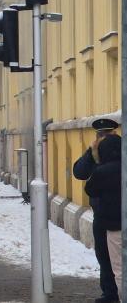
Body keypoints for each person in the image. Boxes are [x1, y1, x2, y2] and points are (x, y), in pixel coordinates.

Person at [74, 118, 122, 303]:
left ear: (114, 133)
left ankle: (118, 294)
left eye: (106, 134)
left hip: (116, 213)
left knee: (117, 258)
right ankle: (109, 293)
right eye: (100, 135)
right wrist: (90, 154)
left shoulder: (119, 151)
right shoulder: (94, 154)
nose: (103, 138)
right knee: (104, 255)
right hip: (101, 213)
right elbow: (79, 172)